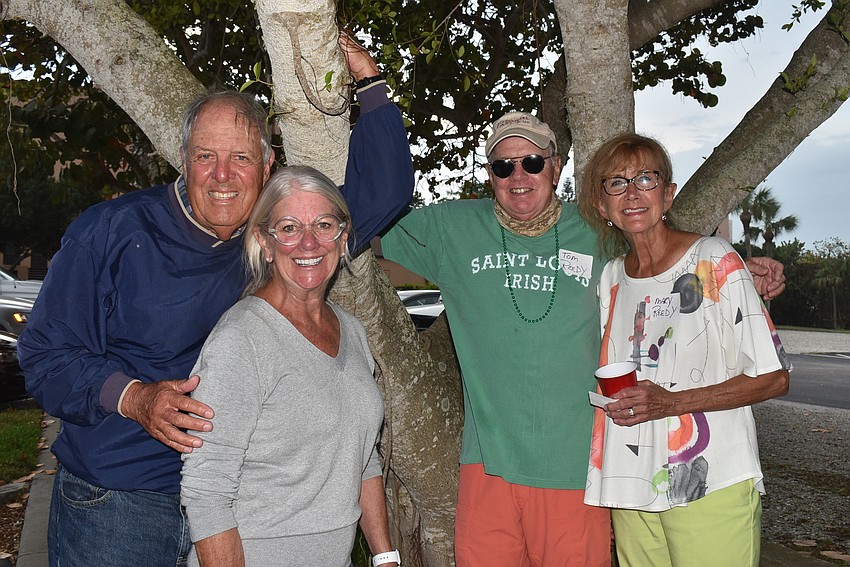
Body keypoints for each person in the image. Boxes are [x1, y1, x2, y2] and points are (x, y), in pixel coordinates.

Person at [17, 35, 413, 567]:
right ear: (183, 160)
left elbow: (384, 192)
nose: (222, 176)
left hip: (238, 505)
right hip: (122, 498)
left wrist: (370, 83)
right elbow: (45, 355)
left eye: (240, 158)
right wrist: (134, 397)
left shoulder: (275, 241)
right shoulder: (111, 232)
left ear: (267, 166)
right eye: (206, 157)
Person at [380, 112, 785, 567]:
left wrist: (736, 270)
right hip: (552, 470)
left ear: (555, 168)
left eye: (533, 162)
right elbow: (351, 232)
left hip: (598, 469)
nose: (519, 176)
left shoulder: (600, 238)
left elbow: (675, 259)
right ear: (490, 174)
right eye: (503, 166)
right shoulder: (458, 230)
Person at [577, 133, 790, 567]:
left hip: (709, 477)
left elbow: (775, 378)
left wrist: (672, 403)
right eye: (616, 183)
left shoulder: (713, 259)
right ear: (601, 205)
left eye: (645, 179)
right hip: (630, 479)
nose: (632, 193)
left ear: (668, 194)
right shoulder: (612, 278)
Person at [180, 166, 399, 567]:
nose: (308, 242)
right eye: (288, 228)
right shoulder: (242, 339)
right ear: (265, 242)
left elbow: (361, 455)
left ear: (343, 237)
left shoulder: (351, 331)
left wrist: (385, 557)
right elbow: (206, 492)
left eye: (323, 224)